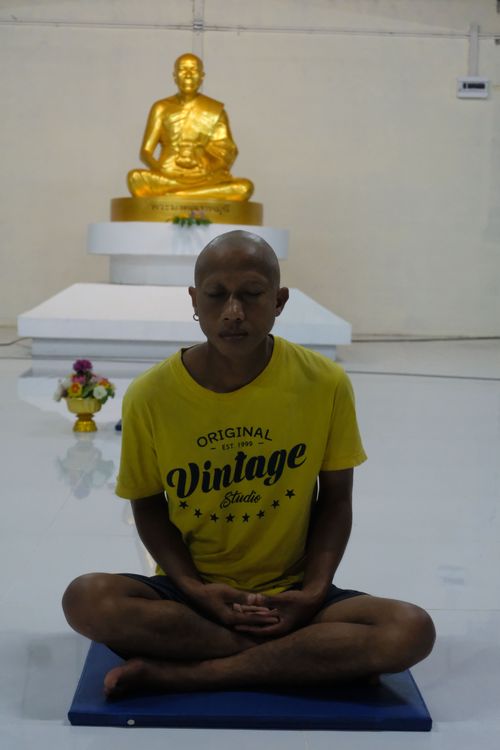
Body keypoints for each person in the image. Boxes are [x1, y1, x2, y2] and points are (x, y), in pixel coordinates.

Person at [62, 230, 435, 698]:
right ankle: (298, 658)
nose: (233, 311)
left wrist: (312, 594)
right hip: (193, 599)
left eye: (252, 294)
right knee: (86, 599)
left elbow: (336, 499)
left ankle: (192, 674)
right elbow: (148, 504)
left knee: (411, 629)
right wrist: (197, 591)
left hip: (293, 596)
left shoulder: (325, 383)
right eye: (217, 295)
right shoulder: (151, 395)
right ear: (194, 301)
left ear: (279, 301)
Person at [127, 53, 253, 201]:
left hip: (203, 176)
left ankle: (177, 196)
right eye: (182, 70)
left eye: (194, 70)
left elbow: (226, 152)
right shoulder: (161, 107)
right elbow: (145, 152)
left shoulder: (214, 110)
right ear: (175, 76)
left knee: (244, 187)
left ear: (202, 76)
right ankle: (195, 194)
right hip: (167, 175)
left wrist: (207, 168)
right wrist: (160, 171)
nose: (188, 75)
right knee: (135, 178)